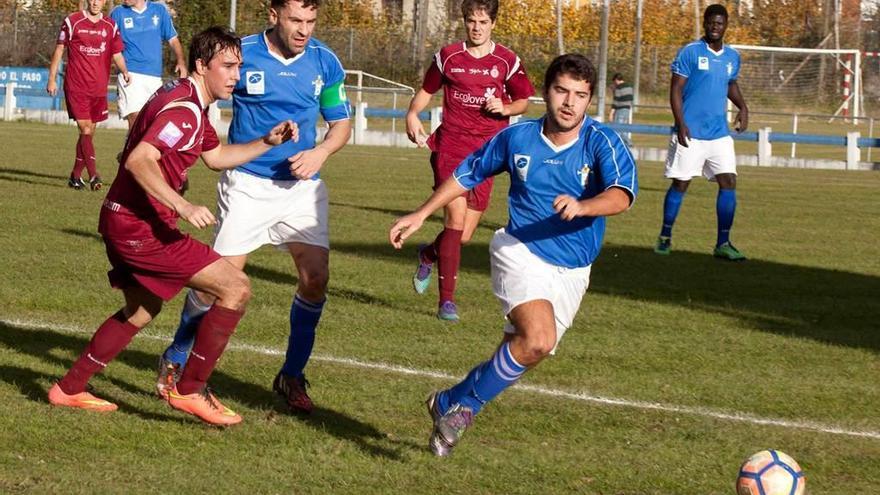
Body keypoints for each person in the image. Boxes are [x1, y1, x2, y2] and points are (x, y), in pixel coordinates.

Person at [47, 27, 298, 427]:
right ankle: (190, 388)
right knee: (236, 288)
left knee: (142, 309)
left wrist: (267, 142)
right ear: (202, 65)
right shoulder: (183, 112)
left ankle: (70, 388)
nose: (236, 75)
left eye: (239, 66)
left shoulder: (189, 103)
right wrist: (182, 204)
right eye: (228, 66)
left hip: (120, 217)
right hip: (140, 227)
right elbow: (140, 160)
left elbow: (215, 158)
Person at [390, 54, 637, 456]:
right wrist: (421, 213)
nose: (570, 103)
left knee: (523, 350)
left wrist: (584, 206)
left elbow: (621, 195)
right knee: (538, 340)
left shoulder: (601, 140)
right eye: (561, 91)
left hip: (574, 269)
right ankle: (465, 410)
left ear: (590, 99)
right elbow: (466, 174)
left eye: (580, 95)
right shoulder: (517, 138)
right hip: (520, 250)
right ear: (546, 92)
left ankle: (447, 399)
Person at [156, 0, 351, 416]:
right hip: (247, 184)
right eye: (296, 20)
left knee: (315, 279)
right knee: (216, 283)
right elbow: (202, 99)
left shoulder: (325, 63)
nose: (304, 30)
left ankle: (292, 375)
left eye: (311, 21)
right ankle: (177, 353)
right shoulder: (240, 55)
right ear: (273, 15)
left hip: (302, 188)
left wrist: (321, 153)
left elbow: (340, 124)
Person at [405, 0, 534, 322]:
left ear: (493, 23)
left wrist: (503, 108)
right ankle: (446, 302)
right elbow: (426, 90)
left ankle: (428, 253)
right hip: (450, 146)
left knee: (461, 236)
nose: (476, 27)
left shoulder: (507, 61)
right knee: (455, 220)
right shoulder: (448, 57)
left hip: (488, 153)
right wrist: (412, 114)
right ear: (465, 22)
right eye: (471, 21)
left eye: (482, 21)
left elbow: (523, 102)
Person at [654, 3, 749, 261]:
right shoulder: (691, 52)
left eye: (720, 23)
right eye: (711, 22)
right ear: (705, 23)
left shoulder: (732, 57)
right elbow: (675, 89)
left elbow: (730, 83)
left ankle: (723, 243)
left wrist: (743, 107)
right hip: (690, 133)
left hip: (719, 134)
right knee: (681, 183)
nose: (715, 27)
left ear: (726, 25)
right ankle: (665, 235)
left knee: (729, 181)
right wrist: (680, 121)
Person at [47, 0, 130, 191]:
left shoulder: (110, 25)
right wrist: (52, 79)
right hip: (77, 86)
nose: (95, 2)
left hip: (98, 89)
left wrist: (124, 70)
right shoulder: (72, 21)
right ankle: (94, 175)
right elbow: (59, 50)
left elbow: (117, 53)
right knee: (85, 129)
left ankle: (75, 176)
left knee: (89, 133)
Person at [110, 0, 188, 128]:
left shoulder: (159, 10)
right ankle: (132, 146)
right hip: (129, 75)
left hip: (154, 77)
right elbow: (109, 43)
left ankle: (131, 148)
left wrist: (181, 61)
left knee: (152, 124)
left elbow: (173, 39)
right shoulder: (118, 13)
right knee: (135, 120)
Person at [609, 72, 633, 147]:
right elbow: (631, 99)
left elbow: (615, 102)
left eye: (614, 81)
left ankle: (627, 143)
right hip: (627, 109)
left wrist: (611, 113)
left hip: (620, 110)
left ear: (616, 80)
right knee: (624, 127)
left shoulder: (619, 88)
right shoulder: (629, 87)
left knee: (618, 128)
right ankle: (625, 144)